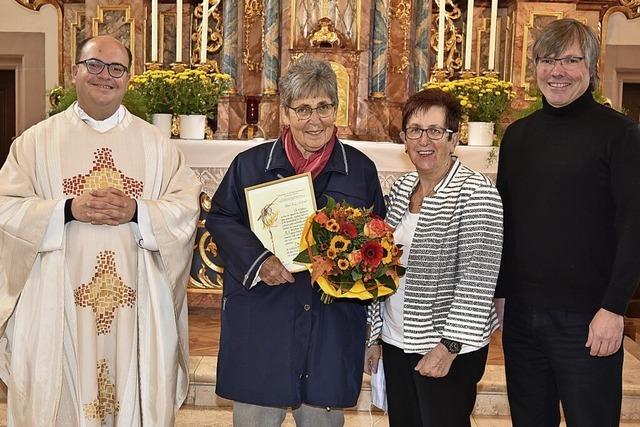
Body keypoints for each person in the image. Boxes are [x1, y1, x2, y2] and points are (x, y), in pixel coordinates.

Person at [0, 35, 201, 425]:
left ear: (128, 78)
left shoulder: (158, 146)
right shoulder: (35, 143)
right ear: (74, 71)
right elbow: (6, 208)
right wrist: (67, 209)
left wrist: (138, 211)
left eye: (116, 69)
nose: (104, 76)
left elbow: (185, 208)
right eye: (93, 65)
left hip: (137, 304)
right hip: (55, 305)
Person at [207, 56, 386, 427]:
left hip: (331, 324)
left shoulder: (361, 170)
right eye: (302, 109)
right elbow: (220, 218)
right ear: (284, 113)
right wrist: (260, 262)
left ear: (337, 109)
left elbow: (377, 243)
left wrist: (349, 269)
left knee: (322, 416)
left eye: (324, 107)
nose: (314, 120)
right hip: (264, 318)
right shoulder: (251, 164)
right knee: (256, 415)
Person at [495, 18, 640, 427]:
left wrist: (613, 308)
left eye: (571, 60)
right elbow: (508, 222)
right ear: (535, 67)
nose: (557, 71)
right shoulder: (518, 136)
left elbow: (634, 226)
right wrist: (503, 295)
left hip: (589, 318)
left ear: (591, 67)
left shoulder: (621, 134)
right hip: (523, 318)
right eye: (547, 60)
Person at [364, 88, 504, 427]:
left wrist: (448, 346)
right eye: (415, 130)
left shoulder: (476, 194)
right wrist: (375, 335)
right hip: (397, 340)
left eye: (435, 131)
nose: (424, 140)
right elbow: (379, 266)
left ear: (454, 139)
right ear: (403, 138)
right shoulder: (401, 190)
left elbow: (477, 280)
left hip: (445, 345)